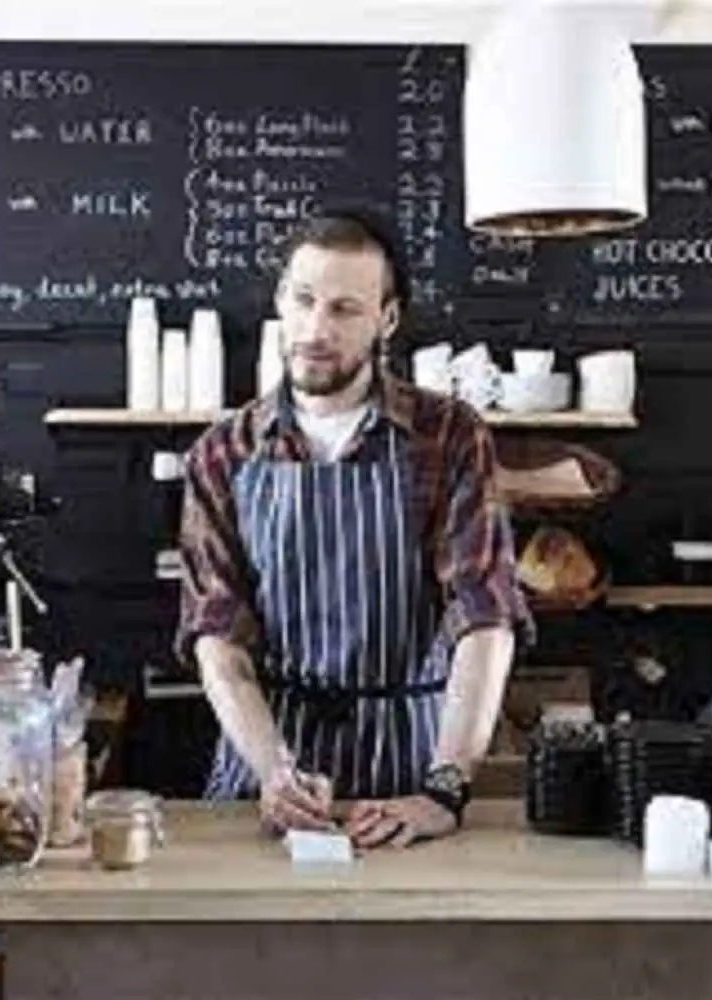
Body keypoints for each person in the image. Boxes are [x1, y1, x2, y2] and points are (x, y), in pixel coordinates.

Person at [175, 210, 535, 849]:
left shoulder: (448, 436)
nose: (316, 330)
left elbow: (484, 618)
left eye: (344, 309)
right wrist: (274, 771)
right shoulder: (222, 453)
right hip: (268, 765)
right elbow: (218, 641)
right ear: (282, 299)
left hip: (408, 775)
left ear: (386, 320)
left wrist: (445, 790)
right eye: (305, 300)